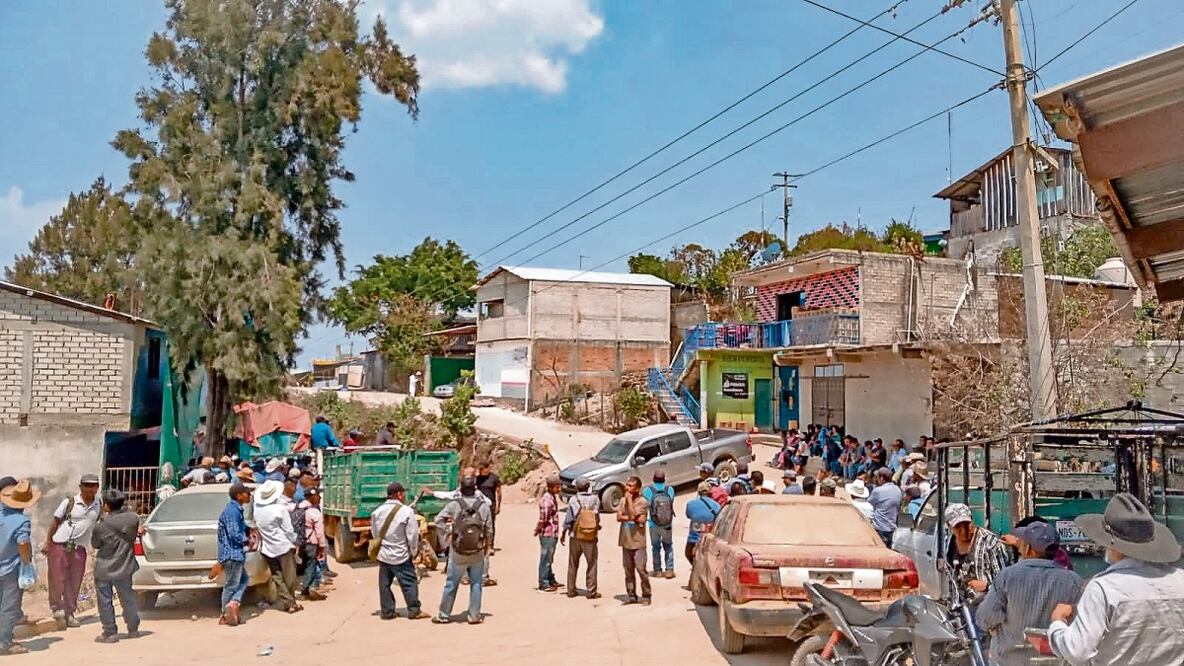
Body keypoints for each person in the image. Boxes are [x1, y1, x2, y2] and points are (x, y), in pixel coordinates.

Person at [1047, 493, 1184, 666]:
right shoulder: (1180, 580)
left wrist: (1057, 624)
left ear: (1114, 547)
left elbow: (1077, 651)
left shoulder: (1104, 588)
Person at [976, 521, 1084, 666]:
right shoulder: (1074, 581)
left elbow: (985, 619)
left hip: (1009, 661)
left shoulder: (1007, 576)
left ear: (1028, 548)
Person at [43, 472, 101, 630]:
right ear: (80, 487)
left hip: (79, 549)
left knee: (75, 582)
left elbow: (111, 517)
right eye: (87, 485)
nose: (90, 489)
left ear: (97, 487)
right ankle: (56, 608)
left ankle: (70, 613)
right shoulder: (70, 502)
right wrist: (48, 543)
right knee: (57, 579)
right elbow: (55, 522)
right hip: (60, 545)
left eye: (93, 485)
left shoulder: (99, 504)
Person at [433, 478, 492, 624]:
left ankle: (444, 615)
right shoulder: (483, 506)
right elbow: (489, 529)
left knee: (452, 583)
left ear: (460, 489)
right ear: (475, 489)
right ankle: (474, 615)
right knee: (476, 583)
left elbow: (438, 520)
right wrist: (488, 546)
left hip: (458, 551)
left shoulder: (454, 505)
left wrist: (447, 533)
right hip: (477, 551)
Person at [91, 489, 142, 644]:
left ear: (106, 505)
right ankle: (133, 629)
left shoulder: (100, 526)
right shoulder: (133, 519)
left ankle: (110, 632)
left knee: (105, 600)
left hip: (104, 568)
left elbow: (95, 544)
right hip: (125, 565)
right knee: (128, 597)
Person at [371, 482, 427, 620]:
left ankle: (387, 612)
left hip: (384, 554)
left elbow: (375, 533)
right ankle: (414, 610)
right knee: (409, 583)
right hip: (401, 554)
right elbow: (412, 535)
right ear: (399, 494)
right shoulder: (406, 512)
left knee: (384, 585)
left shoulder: (377, 512)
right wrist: (414, 552)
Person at [944, 503, 1013, 602]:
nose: (964, 530)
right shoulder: (949, 543)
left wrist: (987, 587)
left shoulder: (990, 543)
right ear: (949, 527)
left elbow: (1005, 583)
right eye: (958, 526)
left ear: (972, 520)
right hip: (959, 607)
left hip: (987, 608)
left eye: (967, 524)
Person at [0, 480, 37, 655]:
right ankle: (4, 643)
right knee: (9, 606)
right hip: (10, 569)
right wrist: (26, 562)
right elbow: (23, 543)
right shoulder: (22, 521)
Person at [254, 480, 302, 614]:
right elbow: (288, 530)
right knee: (290, 578)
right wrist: (296, 542)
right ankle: (291, 602)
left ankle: (288, 602)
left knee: (277, 577)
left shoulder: (257, 510)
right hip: (283, 547)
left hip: (267, 549)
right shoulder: (279, 509)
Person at [218, 483, 252, 626]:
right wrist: (247, 540)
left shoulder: (237, 510)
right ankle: (226, 614)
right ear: (239, 496)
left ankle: (233, 603)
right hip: (232, 553)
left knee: (244, 580)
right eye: (246, 493)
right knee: (231, 584)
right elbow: (234, 533)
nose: (249, 495)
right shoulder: (232, 511)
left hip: (234, 554)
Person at [561, 477, 600, 599]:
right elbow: (597, 516)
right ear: (588, 487)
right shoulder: (595, 499)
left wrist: (564, 532)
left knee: (573, 563)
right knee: (592, 563)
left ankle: (571, 590)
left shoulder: (573, 500)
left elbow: (569, 518)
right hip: (590, 536)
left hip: (575, 535)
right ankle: (591, 591)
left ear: (577, 487)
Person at [617, 477, 651, 605]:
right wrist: (631, 517)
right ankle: (631, 595)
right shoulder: (622, 501)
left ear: (637, 488)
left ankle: (646, 594)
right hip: (626, 541)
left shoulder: (642, 502)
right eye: (627, 485)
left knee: (641, 569)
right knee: (628, 570)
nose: (627, 488)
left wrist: (630, 501)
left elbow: (637, 516)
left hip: (638, 542)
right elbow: (619, 517)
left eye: (630, 486)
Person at [1002, 516, 1073, 570]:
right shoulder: (1068, 573)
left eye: (1024, 545)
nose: (1021, 550)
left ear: (1028, 549)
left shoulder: (1012, 575)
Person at [642, 471, 675, 579]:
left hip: (653, 523)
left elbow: (647, 505)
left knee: (656, 547)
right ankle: (669, 570)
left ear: (653, 478)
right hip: (667, 524)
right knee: (668, 546)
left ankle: (657, 571)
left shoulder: (647, 491)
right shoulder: (670, 490)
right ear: (664, 478)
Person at [533, 475, 562, 592]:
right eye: (557, 487)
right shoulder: (547, 501)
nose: (559, 489)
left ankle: (550, 579)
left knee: (550, 558)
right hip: (547, 534)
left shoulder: (552, 498)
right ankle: (543, 583)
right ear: (551, 487)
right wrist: (538, 529)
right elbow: (543, 519)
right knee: (546, 558)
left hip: (552, 533)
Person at [299, 488, 327, 601]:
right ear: (311, 497)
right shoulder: (314, 512)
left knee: (304, 565)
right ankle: (305, 589)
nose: (319, 498)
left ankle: (305, 587)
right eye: (317, 496)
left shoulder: (297, 507)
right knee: (311, 566)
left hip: (299, 543)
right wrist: (322, 547)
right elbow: (319, 532)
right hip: (311, 542)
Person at [685, 482, 720, 567]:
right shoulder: (717, 505)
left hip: (694, 538)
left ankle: (695, 567)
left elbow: (688, 515)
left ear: (699, 492)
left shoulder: (690, 504)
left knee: (688, 553)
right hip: (709, 538)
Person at [867, 468, 902, 547]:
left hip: (879, 529)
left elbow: (869, 504)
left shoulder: (878, 491)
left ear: (882, 478)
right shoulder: (898, 490)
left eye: (877, 477)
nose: (876, 479)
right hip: (892, 528)